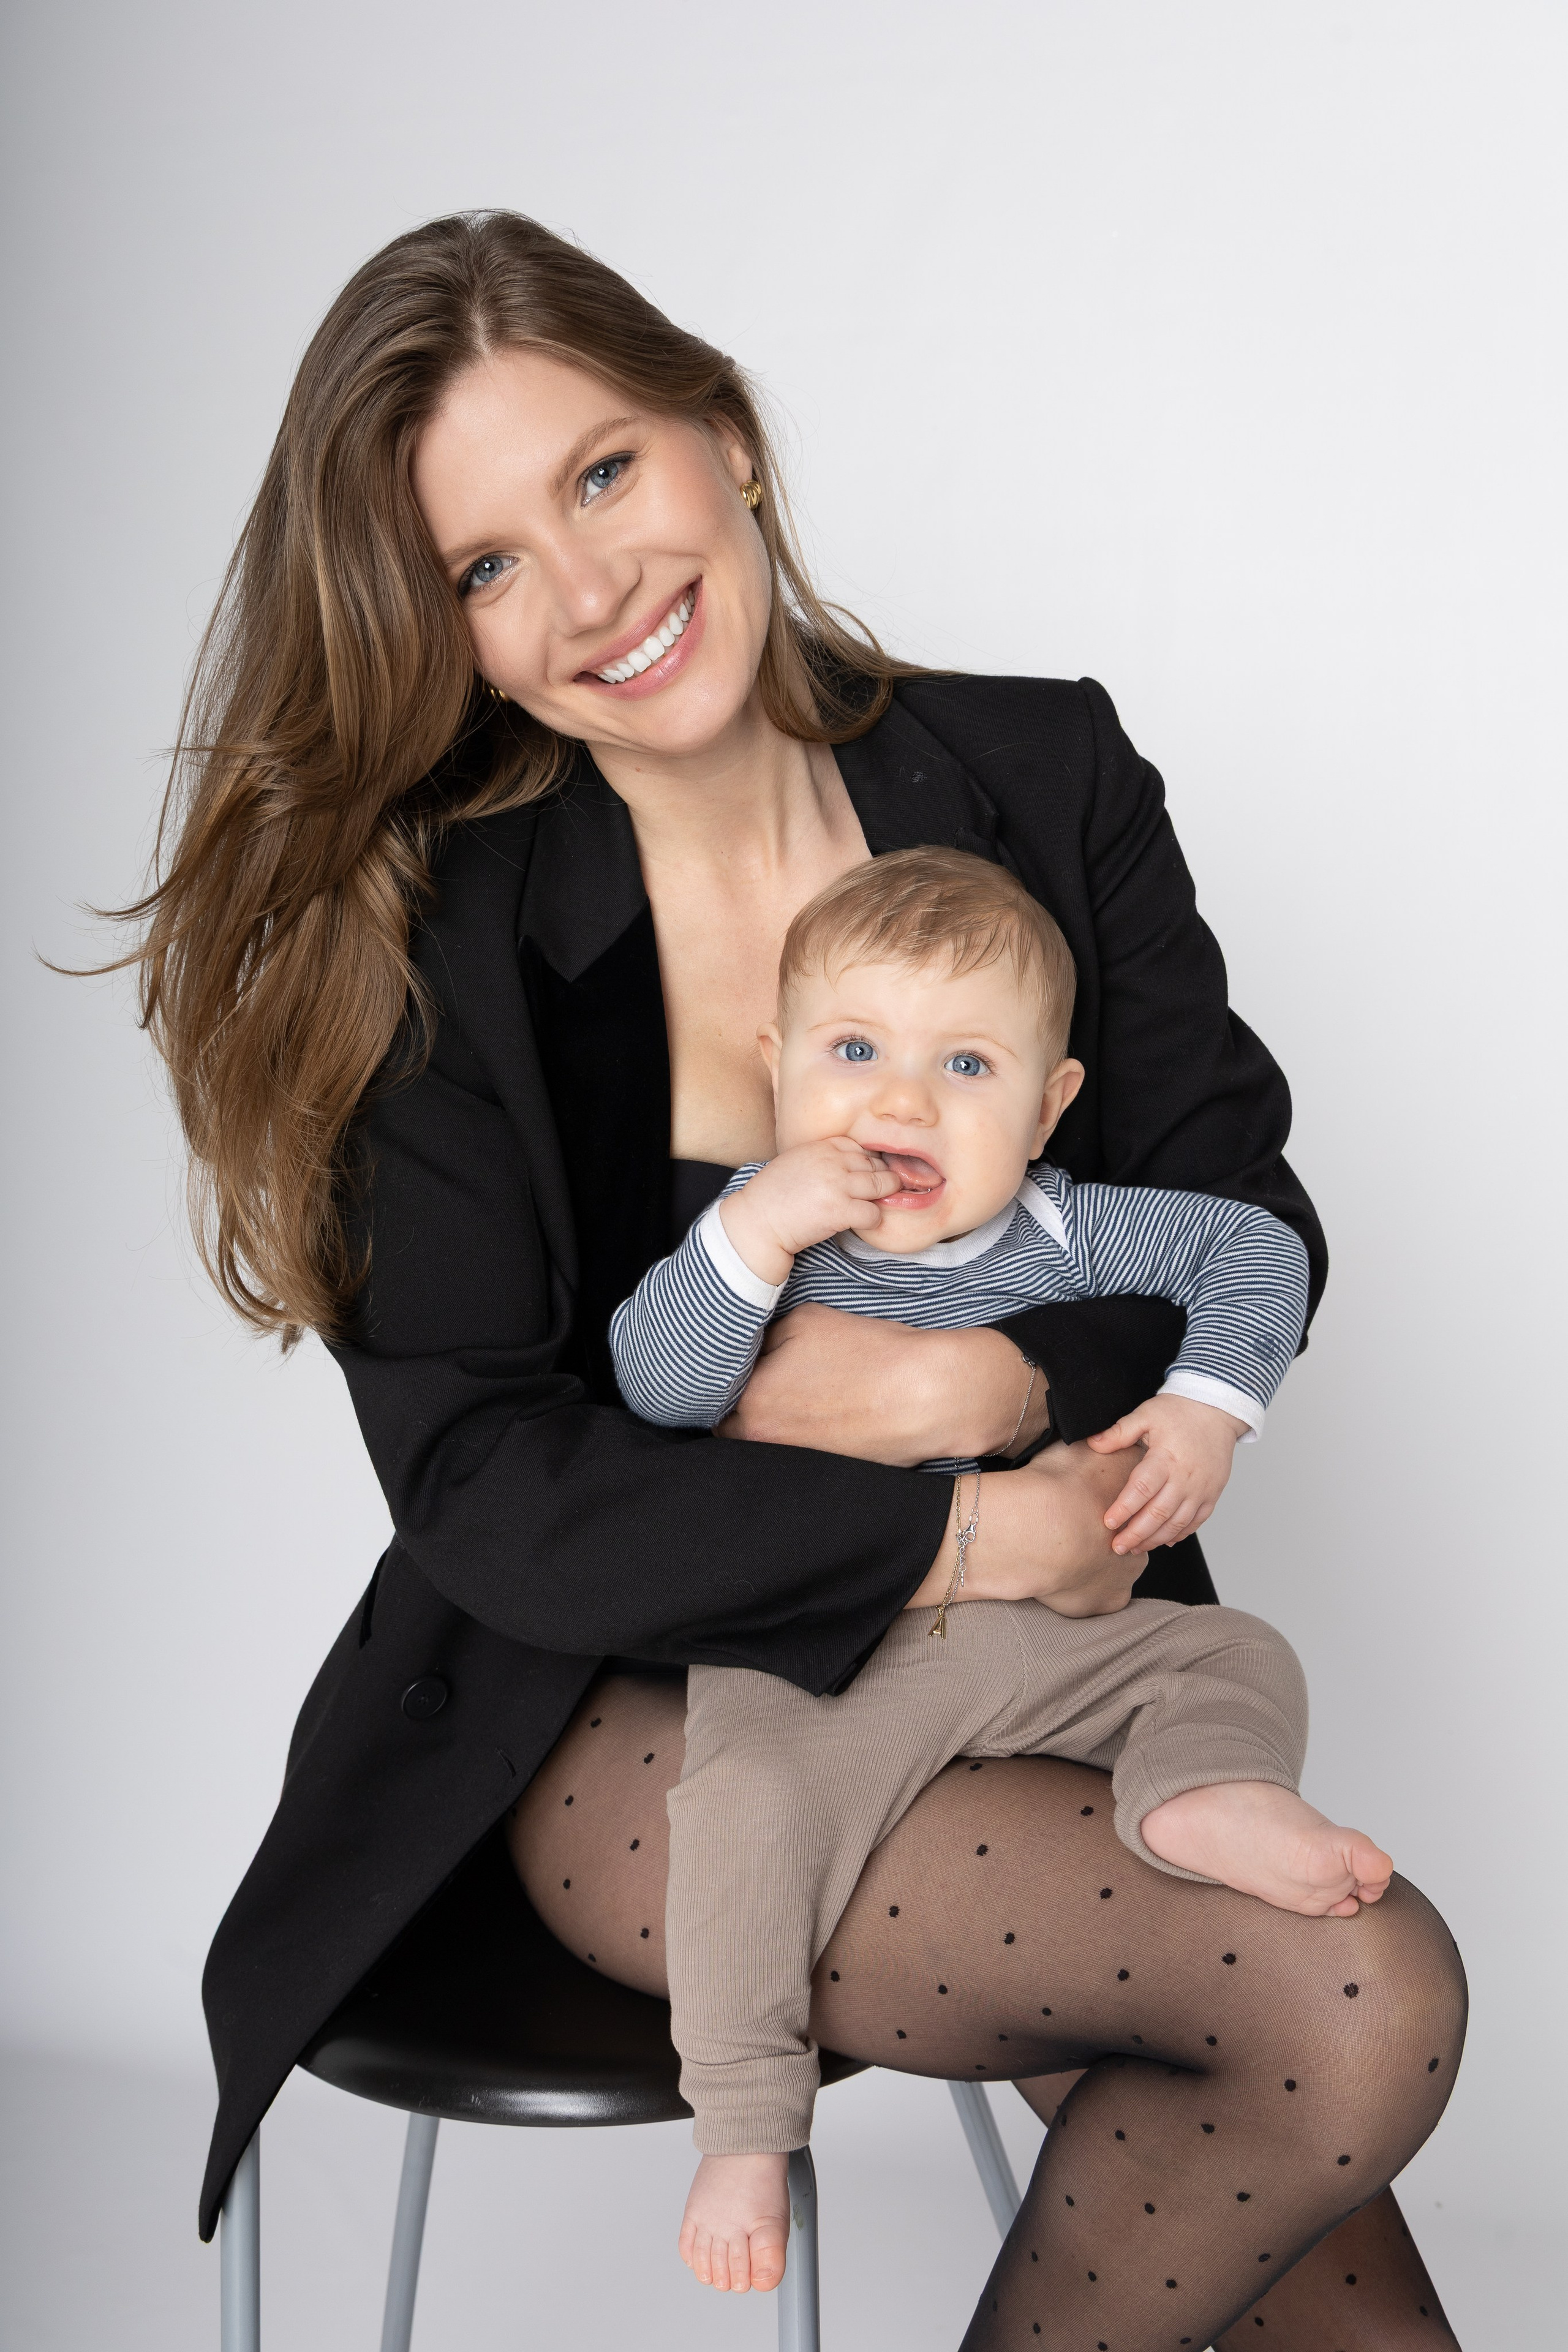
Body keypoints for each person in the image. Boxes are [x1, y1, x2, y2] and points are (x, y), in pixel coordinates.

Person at [126, 209, 1464, 2346]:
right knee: (1351, 1983)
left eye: (602, 476)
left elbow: (1237, 1206)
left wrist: (990, 1397)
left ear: (722, 437)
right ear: (443, 630)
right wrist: (933, 1533)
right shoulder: (439, 955)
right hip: (643, 1734)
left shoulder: (1045, 773)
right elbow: (490, 1481)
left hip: (1038, 1663)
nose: (589, 594)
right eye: (484, 567)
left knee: (1330, 2068)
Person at [609, 845, 1393, 2290]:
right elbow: (654, 1392)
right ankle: (740, 2120)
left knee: (1234, 1655)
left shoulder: (1067, 1224)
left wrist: (1206, 1409)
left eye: (964, 1066)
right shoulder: (755, 1237)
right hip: (828, 1656)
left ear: (1047, 1108)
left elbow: (1258, 1255)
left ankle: (1197, 1796)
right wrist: (759, 1223)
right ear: (774, 1067)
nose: (897, 1102)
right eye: (851, 1051)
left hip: (1039, 1637)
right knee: (740, 1808)